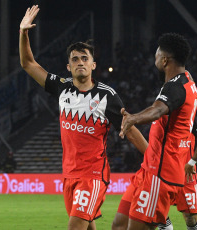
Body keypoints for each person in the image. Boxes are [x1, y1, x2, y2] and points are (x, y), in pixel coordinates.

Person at [19, 5, 148, 230]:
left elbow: (130, 128)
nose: (80, 62)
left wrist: (153, 158)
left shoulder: (107, 96)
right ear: (68, 67)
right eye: (75, 59)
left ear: (93, 65)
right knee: (86, 225)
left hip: (93, 174)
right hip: (69, 174)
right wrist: (23, 32)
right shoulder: (61, 88)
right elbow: (28, 64)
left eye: (84, 58)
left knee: (75, 225)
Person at [118, 33, 197, 230]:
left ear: (164, 60)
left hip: (159, 174)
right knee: (118, 225)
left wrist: (133, 118)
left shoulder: (175, 87)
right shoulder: (187, 80)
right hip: (149, 168)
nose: (154, 58)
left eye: (156, 54)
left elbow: (158, 110)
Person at [112, 117, 197, 230]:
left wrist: (192, 162)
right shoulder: (158, 114)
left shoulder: (187, 116)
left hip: (186, 174)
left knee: (190, 217)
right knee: (158, 213)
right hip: (163, 173)